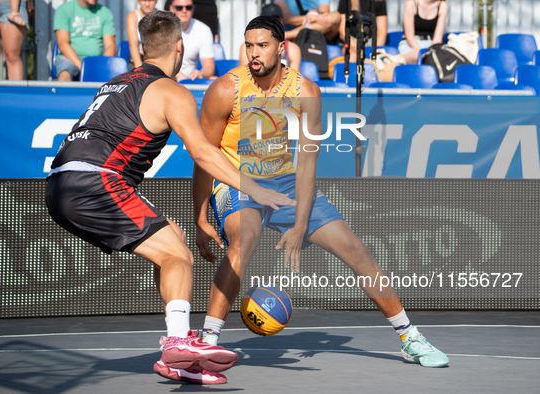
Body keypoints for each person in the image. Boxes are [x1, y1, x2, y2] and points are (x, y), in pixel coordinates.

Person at [45, 10, 295, 385]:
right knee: (178, 255)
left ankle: (178, 359)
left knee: (173, 243)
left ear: (141, 48)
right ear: (180, 47)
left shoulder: (115, 82)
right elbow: (203, 153)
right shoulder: (171, 90)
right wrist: (256, 188)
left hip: (58, 184)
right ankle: (178, 342)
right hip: (96, 182)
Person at [192, 15, 450, 375]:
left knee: (354, 248)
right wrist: (201, 217)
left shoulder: (307, 91)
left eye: (262, 45)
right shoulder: (224, 89)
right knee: (243, 241)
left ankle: (409, 336)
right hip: (236, 183)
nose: (254, 53)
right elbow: (204, 157)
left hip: (284, 183)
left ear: (281, 48)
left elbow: (307, 162)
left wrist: (300, 225)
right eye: (249, 45)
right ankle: (205, 344)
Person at [53, 0, 115, 81]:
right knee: (64, 74)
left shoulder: (105, 12)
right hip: (69, 59)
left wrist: (102, 66)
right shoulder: (64, 10)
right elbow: (63, 44)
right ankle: (65, 93)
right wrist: (84, 68)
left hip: (95, 61)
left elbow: (111, 46)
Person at [239, 3, 301, 72]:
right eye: (269, 21)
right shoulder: (245, 47)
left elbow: (294, 80)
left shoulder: (292, 48)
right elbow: (245, 78)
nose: (254, 54)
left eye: (276, 20)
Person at [169, 0, 215, 81]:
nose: (184, 10)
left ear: (193, 9)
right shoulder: (163, 28)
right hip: (168, 77)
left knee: (217, 80)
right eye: (179, 8)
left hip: (191, 80)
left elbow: (209, 67)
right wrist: (176, 75)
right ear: (171, 9)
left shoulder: (203, 30)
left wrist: (200, 73)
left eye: (188, 7)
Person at [398, 0, 448, 64]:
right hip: (410, 46)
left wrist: (431, 52)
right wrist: (424, 53)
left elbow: (437, 39)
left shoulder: (442, 6)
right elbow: (409, 36)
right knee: (419, 56)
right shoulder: (411, 4)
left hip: (430, 44)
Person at [274, 0, 341, 44]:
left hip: (317, 36)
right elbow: (286, 19)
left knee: (336, 16)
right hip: (294, 40)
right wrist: (310, 16)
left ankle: (286, 35)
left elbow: (325, 16)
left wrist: (315, 12)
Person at [126, 0, 157, 67]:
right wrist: (140, 70)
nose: (147, 4)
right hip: (139, 59)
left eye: (151, 0)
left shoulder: (164, 15)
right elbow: (133, 45)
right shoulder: (132, 16)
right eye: (144, 0)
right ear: (138, 1)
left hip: (159, 60)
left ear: (156, 1)